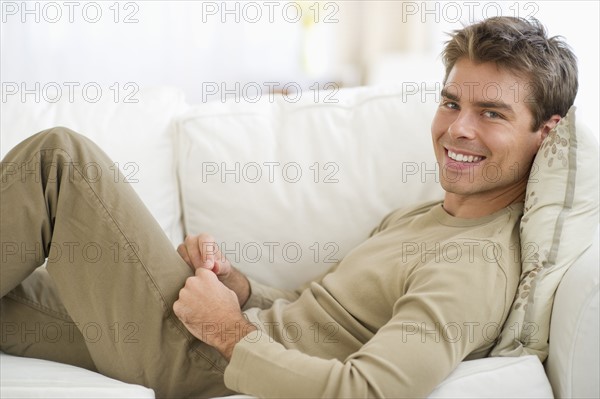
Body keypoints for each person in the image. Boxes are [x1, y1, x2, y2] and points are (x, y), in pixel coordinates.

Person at [0, 16, 577, 398]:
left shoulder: (477, 267)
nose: (458, 129)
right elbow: (317, 315)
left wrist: (227, 332)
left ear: (545, 135)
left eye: (492, 114)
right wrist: (242, 292)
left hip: (206, 360)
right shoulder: (430, 216)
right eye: (451, 103)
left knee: (60, 160)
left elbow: (366, 391)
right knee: (15, 303)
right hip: (218, 334)